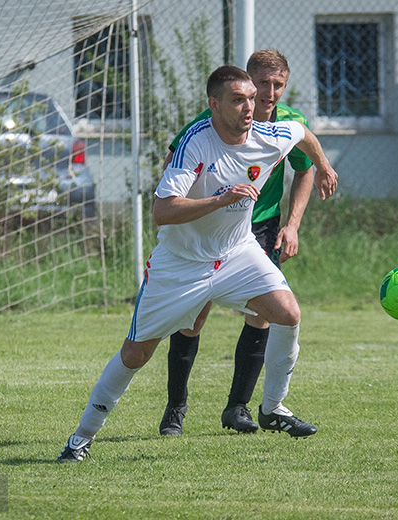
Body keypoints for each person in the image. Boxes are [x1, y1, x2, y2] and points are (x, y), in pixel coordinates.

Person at [57, 65, 338, 462]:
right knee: (136, 354)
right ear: (214, 104)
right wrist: (221, 199)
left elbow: (304, 136)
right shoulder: (196, 142)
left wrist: (324, 166)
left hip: (238, 252)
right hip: (180, 264)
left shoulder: (271, 134)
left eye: (252, 99)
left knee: (288, 313)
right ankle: (81, 437)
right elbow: (163, 210)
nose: (249, 107)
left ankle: (273, 408)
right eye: (238, 100)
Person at [159, 50, 327, 436]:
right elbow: (172, 168)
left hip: (262, 226)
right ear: (246, 85)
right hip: (211, 228)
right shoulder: (211, 121)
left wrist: (294, 225)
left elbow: (304, 168)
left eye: (277, 85)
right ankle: (175, 409)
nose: (267, 94)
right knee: (194, 316)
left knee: (265, 312)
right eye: (260, 85)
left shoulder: (289, 123)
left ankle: (239, 408)